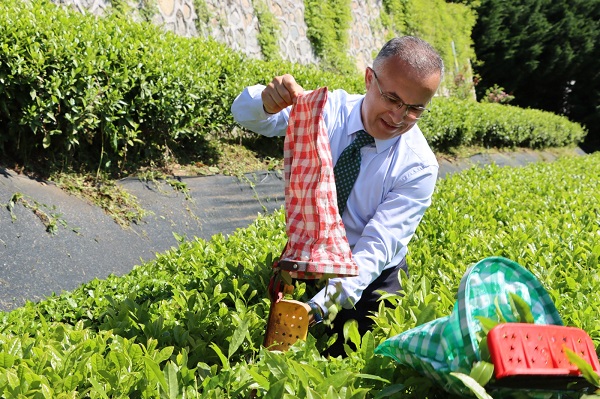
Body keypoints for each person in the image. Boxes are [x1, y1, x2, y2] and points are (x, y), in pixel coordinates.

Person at [231, 36, 444, 357]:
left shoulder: (418, 165)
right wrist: (265, 101)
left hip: (371, 279)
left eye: (415, 108)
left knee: (350, 360)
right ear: (369, 78)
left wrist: (317, 308)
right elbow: (247, 117)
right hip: (316, 257)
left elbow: (377, 247)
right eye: (392, 98)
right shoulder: (324, 111)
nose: (399, 116)